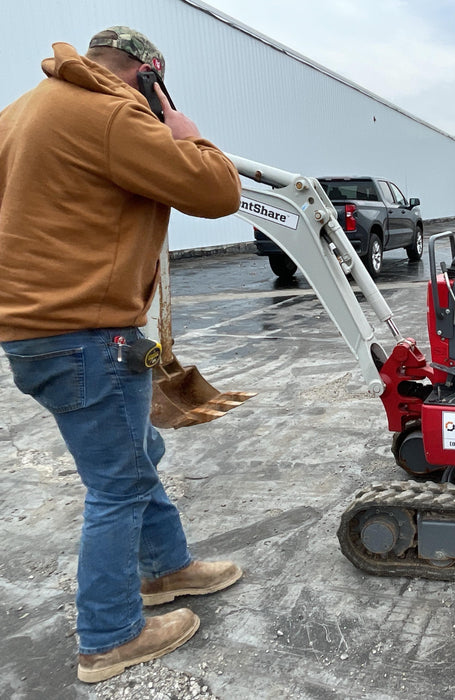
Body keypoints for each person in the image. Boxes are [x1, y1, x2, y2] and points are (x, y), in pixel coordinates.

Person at [0, 27, 243, 683]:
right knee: (118, 485)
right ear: (145, 73)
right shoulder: (110, 110)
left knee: (138, 457)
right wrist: (184, 129)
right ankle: (108, 638)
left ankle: (167, 571)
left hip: (42, 333)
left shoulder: (21, 112)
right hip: (85, 335)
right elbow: (217, 193)